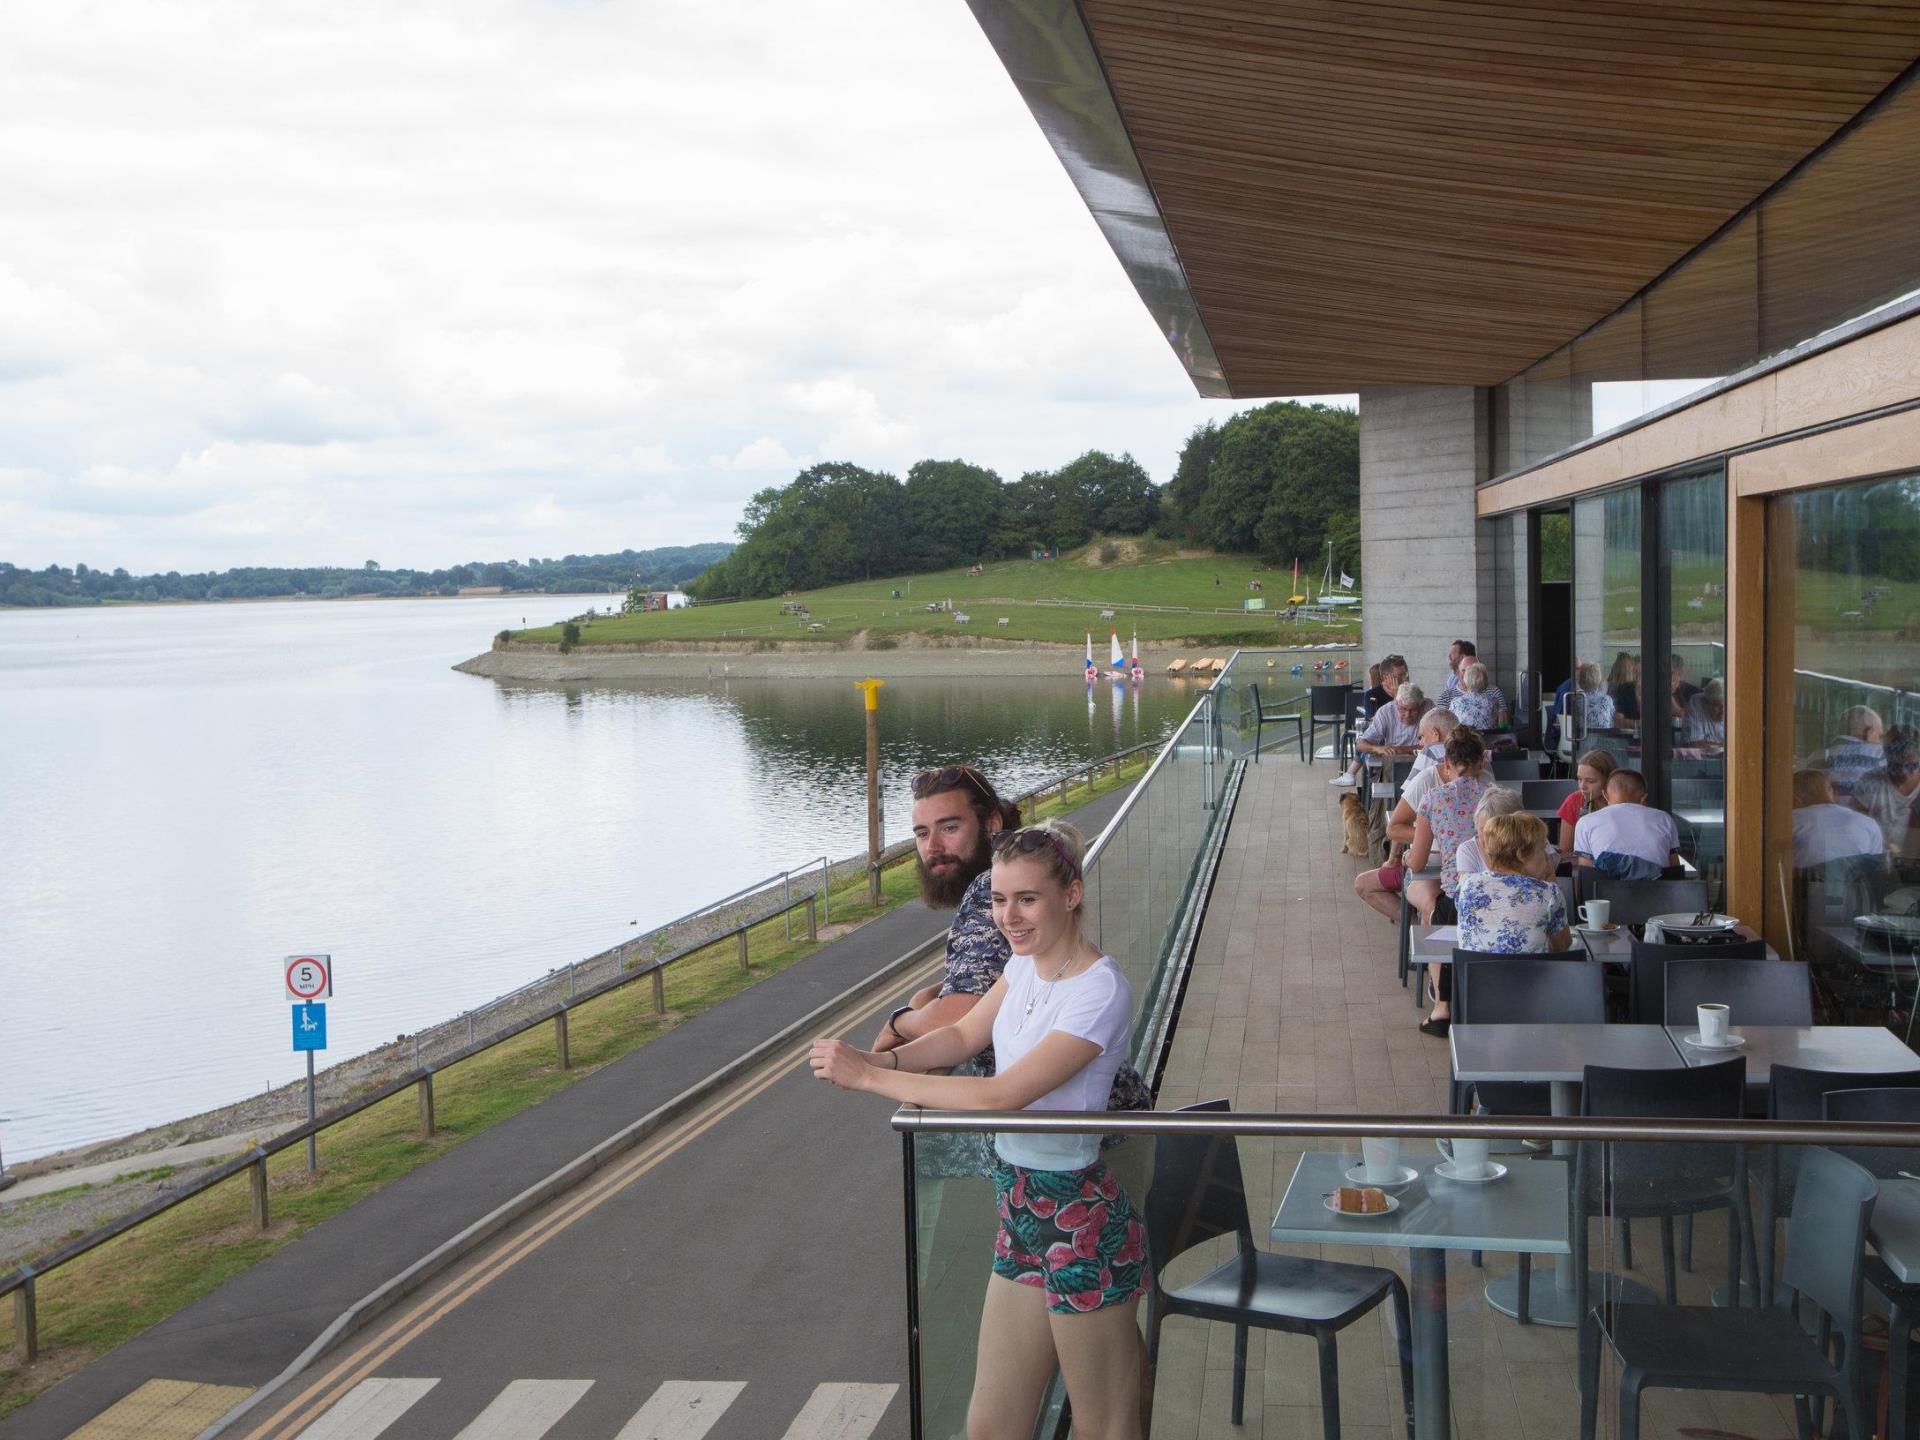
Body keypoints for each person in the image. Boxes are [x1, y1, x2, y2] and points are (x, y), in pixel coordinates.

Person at [810, 821, 1149, 1440]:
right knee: (991, 1427)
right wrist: (884, 1058)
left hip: (1081, 1222)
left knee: (1103, 1428)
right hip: (1020, 1206)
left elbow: (1001, 1095)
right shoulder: (1024, 967)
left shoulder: (1099, 990)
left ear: (1070, 894)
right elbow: (964, 1036)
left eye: (1027, 899)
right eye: (997, 899)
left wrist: (868, 1080)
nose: (1009, 917)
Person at [877, 764, 1151, 1109]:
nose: (932, 846)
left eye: (949, 827)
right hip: (1053, 1132)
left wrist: (898, 1024)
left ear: (992, 824)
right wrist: (918, 1006)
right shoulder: (1022, 959)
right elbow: (970, 1017)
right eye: (920, 833)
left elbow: (957, 1016)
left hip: (1084, 1137)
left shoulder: (982, 890)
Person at [1407, 727, 1492, 1033]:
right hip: (1499, 893)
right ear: (1481, 761)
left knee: (1433, 912)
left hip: (1458, 899)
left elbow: (1417, 861)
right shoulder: (1499, 799)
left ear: (1447, 761)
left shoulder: (1433, 799)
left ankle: (1442, 1006)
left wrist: (1404, 859)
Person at [1352, 709, 1458, 921]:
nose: (1420, 743)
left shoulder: (1430, 757)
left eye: (1422, 736)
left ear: (1436, 735)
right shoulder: (1482, 766)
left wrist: (1393, 859)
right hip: (1469, 872)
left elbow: (1400, 821)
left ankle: (1414, 930)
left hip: (1434, 864)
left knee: (1364, 884)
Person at [1456, 812, 1571, 954]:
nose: (1547, 857)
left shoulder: (1467, 884)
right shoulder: (1549, 894)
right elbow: (1562, 947)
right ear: (1521, 855)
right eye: (1542, 849)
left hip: (1476, 975)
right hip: (1532, 975)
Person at [1571, 769, 1681, 877]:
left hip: (1605, 892)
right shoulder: (1664, 819)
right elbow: (1674, 868)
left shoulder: (1586, 822)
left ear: (1605, 795)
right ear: (1643, 798)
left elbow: (1586, 873)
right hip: (1660, 891)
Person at [1332, 656, 1407, 787]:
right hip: (1383, 738)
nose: (1404, 679)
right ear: (1386, 677)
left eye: (1405, 674)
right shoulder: (1372, 694)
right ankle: (1353, 775)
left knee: (1367, 738)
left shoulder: (1410, 692)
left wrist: (1397, 696)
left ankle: (1350, 773)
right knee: (1369, 737)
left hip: (1406, 738)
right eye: (1399, 676)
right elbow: (1374, 721)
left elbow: (1408, 720)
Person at [1456, 785, 1560, 879]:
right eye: (1481, 829)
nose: (1485, 838)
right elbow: (1467, 894)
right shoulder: (1468, 850)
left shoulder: (1535, 840)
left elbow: (1550, 883)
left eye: (1491, 832)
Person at [1792, 768, 1888, 868]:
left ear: (1795, 797)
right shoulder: (1868, 824)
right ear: (1831, 792)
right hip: (1856, 882)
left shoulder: (1791, 821)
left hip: (1803, 882)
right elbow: (1876, 870)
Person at [1851, 727, 1920, 858]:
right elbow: (1856, 829)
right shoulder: (1869, 782)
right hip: (1879, 862)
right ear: (1886, 757)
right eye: (1895, 766)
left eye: (1912, 766)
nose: (1904, 774)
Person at [1556, 748, 1617, 855]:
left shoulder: (1622, 803)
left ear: (1609, 781)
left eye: (1590, 781)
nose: (1582, 786)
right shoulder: (1573, 801)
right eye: (1579, 779)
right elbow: (1565, 852)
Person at [1818, 705, 1886, 795]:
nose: (1881, 741)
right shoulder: (1880, 754)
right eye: (1880, 735)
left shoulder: (1816, 756)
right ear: (1870, 733)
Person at [1448, 661, 1508, 731]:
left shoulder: (1455, 702)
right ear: (1485, 680)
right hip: (1488, 740)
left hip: (1464, 740)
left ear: (1466, 679)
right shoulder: (1493, 701)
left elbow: (1451, 726)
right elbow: (1502, 723)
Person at [1681, 678, 1726, 748]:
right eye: (1717, 705)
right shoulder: (1696, 703)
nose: (1723, 711)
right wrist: (1726, 748)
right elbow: (1692, 743)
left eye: (1727, 706)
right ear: (1706, 702)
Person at [1606, 652, 1642, 731]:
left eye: (1641, 673)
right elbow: (1618, 721)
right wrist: (1638, 723)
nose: (1638, 677)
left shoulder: (1653, 690)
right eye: (1635, 672)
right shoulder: (1625, 689)